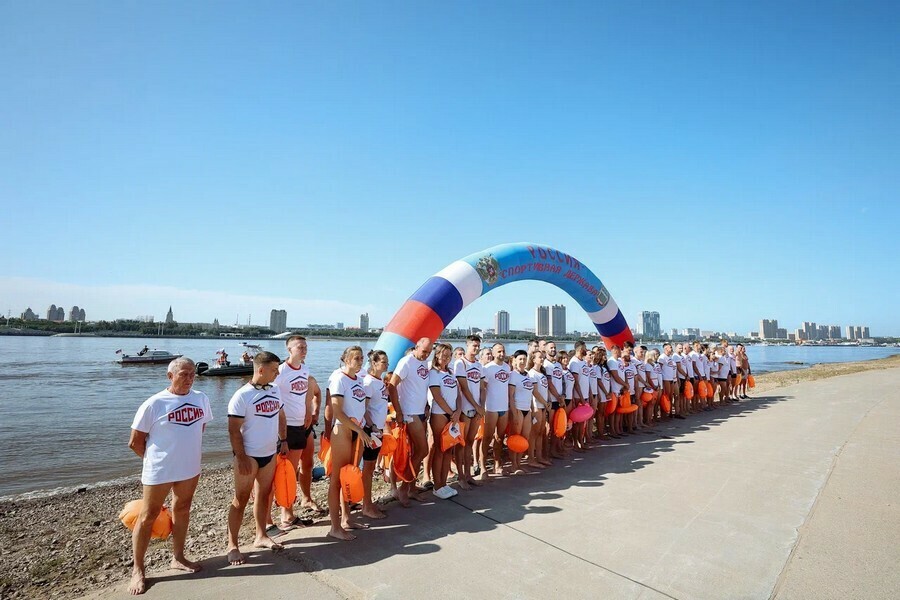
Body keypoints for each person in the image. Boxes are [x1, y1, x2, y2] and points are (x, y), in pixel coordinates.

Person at [127, 358, 211, 595]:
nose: (189, 378)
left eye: (192, 374)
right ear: (170, 376)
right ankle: (138, 569)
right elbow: (135, 442)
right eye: (184, 374)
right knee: (148, 515)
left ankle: (178, 557)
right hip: (159, 470)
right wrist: (155, 461)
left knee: (182, 509)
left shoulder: (201, 399)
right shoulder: (154, 404)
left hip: (189, 468)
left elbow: (199, 429)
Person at [226, 351, 286, 565]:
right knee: (240, 499)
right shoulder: (242, 395)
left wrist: (284, 440)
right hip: (248, 455)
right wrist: (240, 456)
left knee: (264, 495)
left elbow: (280, 416)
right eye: (274, 369)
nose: (277, 373)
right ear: (261, 370)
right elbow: (233, 430)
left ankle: (261, 535)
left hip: (269, 453)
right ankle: (232, 545)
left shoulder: (275, 390)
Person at [326, 346, 374, 539]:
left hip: (358, 432)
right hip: (345, 431)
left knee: (349, 475)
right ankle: (334, 527)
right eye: (355, 358)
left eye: (361, 358)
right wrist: (359, 430)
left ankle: (347, 518)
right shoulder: (339, 379)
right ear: (346, 360)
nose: (360, 361)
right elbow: (337, 411)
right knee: (337, 480)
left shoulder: (359, 380)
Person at [269, 336, 316, 531]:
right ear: (289, 349)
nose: (304, 349)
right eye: (300, 347)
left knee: (291, 470)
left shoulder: (304, 370)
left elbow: (307, 393)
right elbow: (270, 394)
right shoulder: (280, 370)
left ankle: (287, 514)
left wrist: (308, 411)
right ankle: (270, 520)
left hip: (299, 425)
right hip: (284, 427)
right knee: (278, 471)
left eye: (305, 347)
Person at [388, 337, 433, 506]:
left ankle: (412, 487)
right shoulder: (406, 362)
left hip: (421, 412)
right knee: (423, 450)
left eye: (429, 352)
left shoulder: (424, 363)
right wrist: (398, 411)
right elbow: (392, 386)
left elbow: (421, 387)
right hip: (409, 413)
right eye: (424, 351)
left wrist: (427, 405)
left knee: (416, 452)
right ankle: (403, 487)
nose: (426, 355)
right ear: (417, 347)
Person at [428, 343, 461, 499]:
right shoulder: (434, 373)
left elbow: (458, 394)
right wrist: (451, 413)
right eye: (444, 354)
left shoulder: (451, 372)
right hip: (440, 414)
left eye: (449, 355)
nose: (446, 357)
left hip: (454, 415)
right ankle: (437, 485)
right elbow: (437, 396)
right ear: (437, 355)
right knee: (440, 450)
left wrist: (458, 411)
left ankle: (444, 483)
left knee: (449, 450)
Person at [362, 350, 390, 519]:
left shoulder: (379, 381)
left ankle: (368, 502)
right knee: (367, 468)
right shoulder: (368, 382)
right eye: (383, 362)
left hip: (377, 429)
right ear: (374, 363)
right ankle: (366, 505)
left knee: (371, 468)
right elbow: (363, 409)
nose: (387, 365)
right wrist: (372, 426)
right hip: (370, 430)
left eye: (387, 362)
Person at [453, 335, 485, 487]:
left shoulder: (479, 365)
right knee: (461, 443)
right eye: (474, 346)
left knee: (470, 442)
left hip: (477, 408)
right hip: (465, 409)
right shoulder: (460, 363)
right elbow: (464, 388)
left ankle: (468, 473)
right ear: (467, 346)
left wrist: (482, 405)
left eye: (478, 346)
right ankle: (460, 477)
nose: (476, 349)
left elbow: (482, 387)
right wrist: (476, 405)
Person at [482, 343, 511, 475]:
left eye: (503, 351)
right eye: (499, 351)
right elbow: (483, 388)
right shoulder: (487, 368)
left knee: (500, 437)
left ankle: (497, 463)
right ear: (493, 353)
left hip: (504, 407)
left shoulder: (507, 367)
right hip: (491, 408)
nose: (501, 353)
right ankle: (482, 466)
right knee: (487, 437)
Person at [507, 350, 534, 474]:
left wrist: (532, 410)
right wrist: (514, 413)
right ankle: (514, 464)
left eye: (524, 359)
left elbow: (530, 393)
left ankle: (519, 463)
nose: (523, 362)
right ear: (515, 361)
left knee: (525, 438)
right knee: (515, 438)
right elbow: (511, 396)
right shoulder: (513, 375)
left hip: (527, 409)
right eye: (520, 359)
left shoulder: (527, 375)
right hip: (517, 409)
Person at [527, 350, 552, 467]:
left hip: (543, 405)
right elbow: (535, 392)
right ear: (533, 359)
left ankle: (539, 456)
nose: (541, 359)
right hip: (537, 405)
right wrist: (544, 402)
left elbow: (546, 389)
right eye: (539, 357)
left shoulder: (542, 374)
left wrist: (549, 401)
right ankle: (531, 458)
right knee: (534, 432)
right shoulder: (532, 374)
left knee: (541, 432)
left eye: (542, 357)